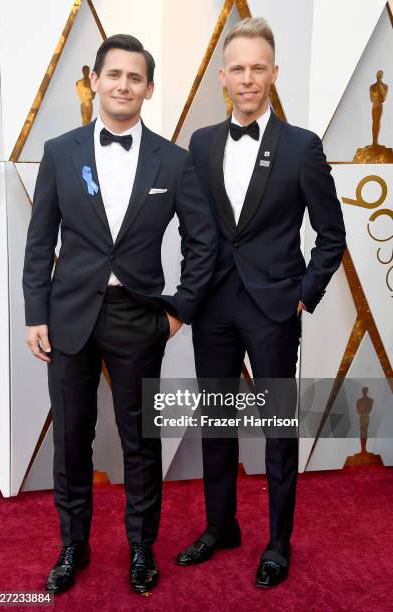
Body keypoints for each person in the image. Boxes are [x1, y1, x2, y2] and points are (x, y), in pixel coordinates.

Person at [22, 33, 217, 595]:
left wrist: (178, 311)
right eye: (114, 75)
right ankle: (72, 546)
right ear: (97, 81)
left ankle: (140, 549)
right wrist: (38, 312)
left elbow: (201, 243)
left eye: (135, 77)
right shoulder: (60, 152)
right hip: (68, 315)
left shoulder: (174, 161)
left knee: (140, 441)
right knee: (71, 439)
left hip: (139, 316)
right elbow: (40, 242)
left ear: (148, 88)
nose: (124, 85)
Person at [176, 17, 346, 588]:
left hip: (275, 309)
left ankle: (278, 541)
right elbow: (197, 230)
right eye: (239, 69)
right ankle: (220, 525)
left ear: (274, 73)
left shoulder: (302, 146)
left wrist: (305, 296)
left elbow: (331, 233)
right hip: (213, 308)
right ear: (223, 77)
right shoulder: (200, 144)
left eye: (259, 67)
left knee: (277, 430)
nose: (248, 78)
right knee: (216, 423)